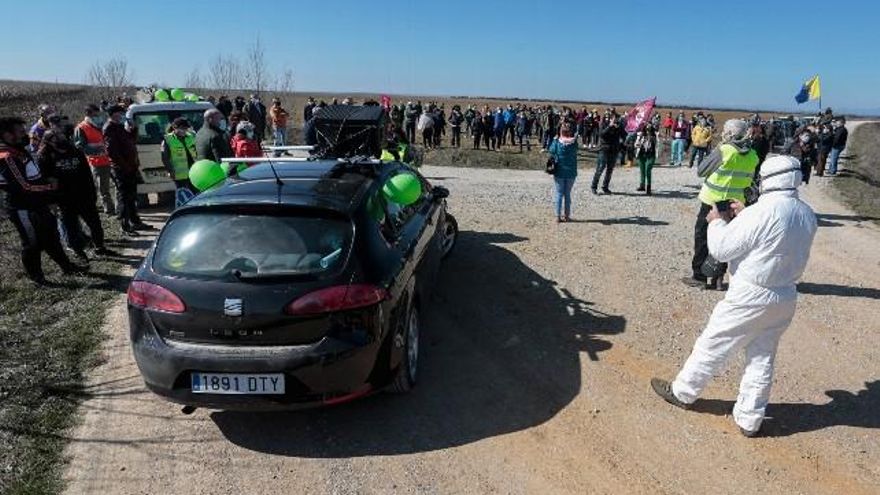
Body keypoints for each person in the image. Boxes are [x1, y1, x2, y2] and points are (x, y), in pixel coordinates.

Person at [652, 155, 817, 437]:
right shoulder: (806, 213)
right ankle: (750, 419)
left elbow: (722, 249)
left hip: (750, 295)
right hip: (785, 296)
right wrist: (745, 214)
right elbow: (772, 236)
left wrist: (717, 222)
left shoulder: (761, 213)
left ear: (767, 179)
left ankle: (683, 392)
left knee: (713, 343)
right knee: (762, 356)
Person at [0, 116, 86, 284]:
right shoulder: (7, 157)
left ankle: (67, 267)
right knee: (32, 243)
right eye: (20, 132)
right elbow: (23, 186)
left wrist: (47, 193)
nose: (25, 134)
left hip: (38, 204)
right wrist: (50, 187)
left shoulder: (19, 150)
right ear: (7, 135)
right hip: (23, 208)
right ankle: (37, 277)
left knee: (51, 237)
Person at [686, 119, 758, 290]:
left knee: (703, 237)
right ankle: (718, 278)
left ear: (731, 134)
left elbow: (701, 170)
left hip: (713, 200)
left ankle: (700, 276)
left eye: (725, 130)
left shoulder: (725, 150)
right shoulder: (753, 154)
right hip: (735, 204)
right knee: (726, 240)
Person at [37, 115, 111, 258]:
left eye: (60, 137)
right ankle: (79, 252)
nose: (59, 140)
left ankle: (100, 247)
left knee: (95, 223)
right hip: (64, 199)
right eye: (54, 138)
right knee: (71, 228)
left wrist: (92, 192)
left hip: (83, 195)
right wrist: (52, 200)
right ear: (48, 142)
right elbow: (45, 180)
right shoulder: (44, 157)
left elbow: (86, 173)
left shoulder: (74, 151)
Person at [104, 105, 148, 235]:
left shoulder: (119, 127)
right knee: (124, 197)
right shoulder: (109, 128)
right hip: (121, 169)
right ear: (113, 114)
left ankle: (135, 221)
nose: (122, 116)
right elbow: (112, 152)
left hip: (130, 167)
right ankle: (125, 226)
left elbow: (130, 141)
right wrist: (125, 166)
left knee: (132, 196)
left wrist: (133, 130)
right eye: (120, 113)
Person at [74, 104, 115, 215]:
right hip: (97, 161)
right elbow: (80, 146)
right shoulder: (81, 127)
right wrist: (97, 149)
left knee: (116, 186)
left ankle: (119, 207)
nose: (98, 116)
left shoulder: (101, 125)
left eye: (98, 113)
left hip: (111, 159)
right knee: (104, 188)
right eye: (95, 114)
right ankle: (109, 209)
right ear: (88, 114)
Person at [160, 118, 197, 206]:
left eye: (185, 128)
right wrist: (170, 170)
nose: (184, 130)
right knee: (182, 195)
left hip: (194, 171)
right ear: (175, 128)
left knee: (195, 193)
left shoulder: (191, 136)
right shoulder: (167, 139)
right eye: (182, 128)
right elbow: (165, 158)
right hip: (179, 174)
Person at [548, 124, 578, 223]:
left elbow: (551, 151)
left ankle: (557, 216)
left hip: (559, 171)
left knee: (559, 194)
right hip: (571, 172)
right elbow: (576, 148)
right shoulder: (574, 143)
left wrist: (554, 139)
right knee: (567, 194)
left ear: (561, 132)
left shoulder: (557, 142)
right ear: (569, 133)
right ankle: (567, 216)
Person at [591, 117, 625, 194]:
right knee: (600, 168)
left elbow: (624, 136)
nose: (614, 121)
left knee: (610, 170)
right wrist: (609, 126)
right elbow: (602, 134)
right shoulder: (603, 124)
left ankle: (605, 187)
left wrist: (619, 128)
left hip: (614, 150)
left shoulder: (618, 127)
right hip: (604, 150)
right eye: (611, 118)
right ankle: (594, 186)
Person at [634, 125, 657, 195]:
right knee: (642, 170)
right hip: (642, 154)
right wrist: (638, 143)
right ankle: (642, 185)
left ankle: (648, 187)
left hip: (650, 155)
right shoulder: (641, 136)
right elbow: (636, 144)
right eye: (646, 129)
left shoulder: (655, 136)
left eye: (649, 130)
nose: (648, 131)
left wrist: (652, 139)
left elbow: (657, 145)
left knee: (647, 170)